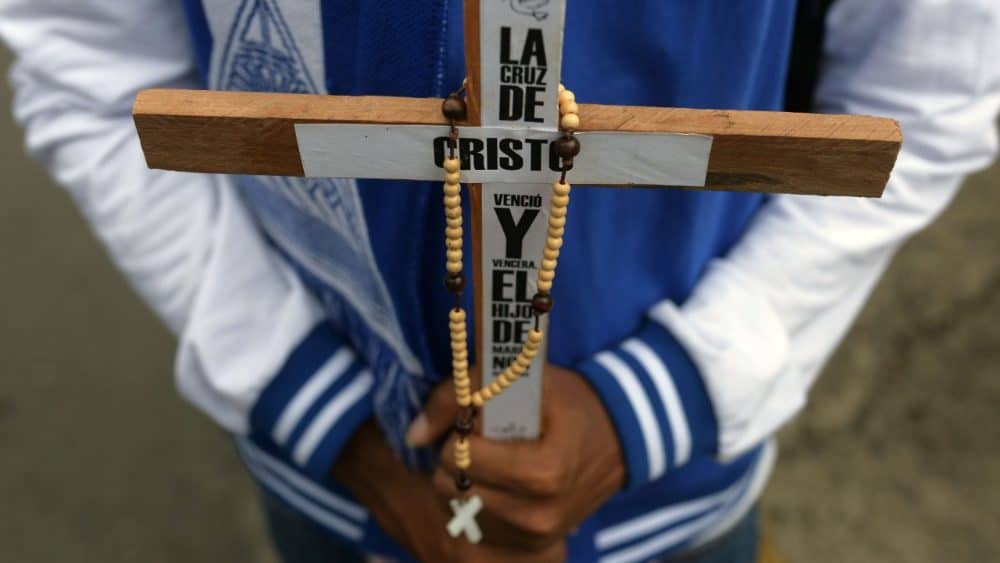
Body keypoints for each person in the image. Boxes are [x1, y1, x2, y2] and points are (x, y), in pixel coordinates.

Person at [1, 1, 998, 561]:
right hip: (336, 461)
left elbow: (922, 102)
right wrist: (325, 412)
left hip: (665, 493)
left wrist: (665, 397)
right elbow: (88, 65)